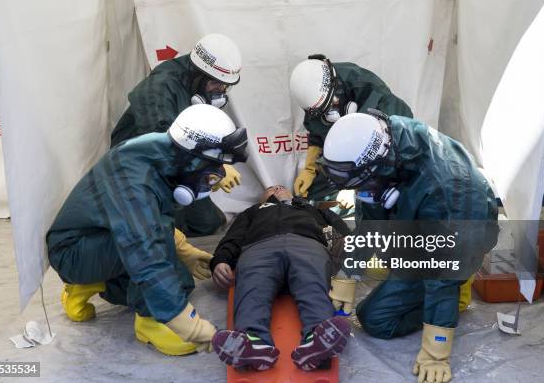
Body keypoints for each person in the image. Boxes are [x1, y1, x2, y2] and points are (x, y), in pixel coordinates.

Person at [47, 104, 248, 356]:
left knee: (180, 283)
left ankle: (91, 284)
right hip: (73, 252)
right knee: (158, 272)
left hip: (100, 238)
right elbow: (147, 252)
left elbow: (155, 216)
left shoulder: (164, 151)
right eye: (212, 170)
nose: (214, 178)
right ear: (193, 156)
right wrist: (197, 331)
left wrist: (184, 251)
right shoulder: (134, 181)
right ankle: (151, 323)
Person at [316, 112, 498, 383]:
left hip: (463, 231)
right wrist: (349, 273)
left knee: (382, 317)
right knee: (382, 290)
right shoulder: (382, 145)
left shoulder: (447, 189)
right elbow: (372, 221)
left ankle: (458, 291)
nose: (360, 192)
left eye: (361, 185)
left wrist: (436, 350)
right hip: (423, 220)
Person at [111, 33, 243, 237]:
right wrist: (215, 166)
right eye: (218, 84)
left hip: (181, 162)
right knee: (171, 227)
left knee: (209, 223)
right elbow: (161, 143)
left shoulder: (197, 86)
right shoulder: (159, 88)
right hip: (141, 166)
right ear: (200, 73)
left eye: (227, 86)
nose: (222, 90)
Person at [209, 185, 352, 371]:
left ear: (293, 194)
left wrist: (351, 250)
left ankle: (317, 338)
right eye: (270, 189)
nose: (276, 188)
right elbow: (233, 238)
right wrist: (220, 260)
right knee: (252, 287)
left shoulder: (311, 208)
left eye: (281, 187)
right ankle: (254, 342)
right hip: (259, 247)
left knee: (313, 285)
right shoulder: (252, 212)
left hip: (307, 244)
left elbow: (342, 228)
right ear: (262, 199)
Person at [289, 54, 413, 208]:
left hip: (383, 154)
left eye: (332, 103)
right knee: (314, 197)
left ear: (336, 86)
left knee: (375, 201)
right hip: (348, 160)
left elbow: (388, 145)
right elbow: (317, 135)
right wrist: (310, 169)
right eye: (324, 110)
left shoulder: (370, 90)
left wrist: (356, 187)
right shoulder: (314, 104)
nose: (331, 113)